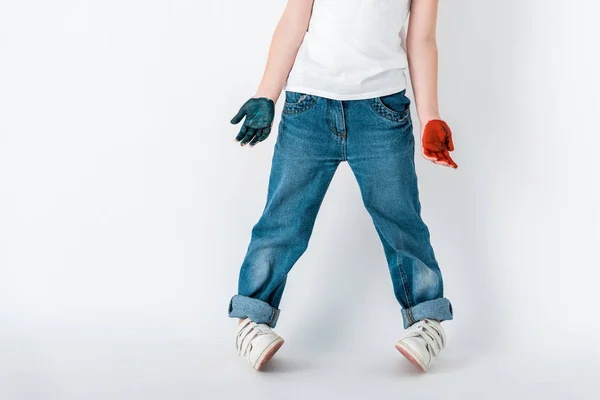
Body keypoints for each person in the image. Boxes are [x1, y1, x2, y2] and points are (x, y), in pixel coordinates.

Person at [228, 0, 457, 372]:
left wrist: (429, 114)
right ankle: (251, 319)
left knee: (401, 220)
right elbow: (293, 21)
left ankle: (426, 321)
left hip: (383, 113)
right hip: (308, 108)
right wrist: (266, 94)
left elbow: (423, 39)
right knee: (283, 219)